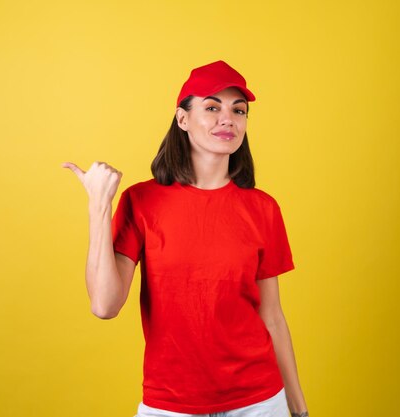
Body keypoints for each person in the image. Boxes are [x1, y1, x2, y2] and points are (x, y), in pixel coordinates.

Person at [63, 60, 309, 417]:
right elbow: (105, 305)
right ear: (182, 120)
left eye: (238, 111)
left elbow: (271, 316)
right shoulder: (142, 201)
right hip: (171, 404)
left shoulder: (263, 208)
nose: (228, 119)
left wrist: (298, 408)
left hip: (259, 402)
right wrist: (100, 205)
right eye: (212, 108)